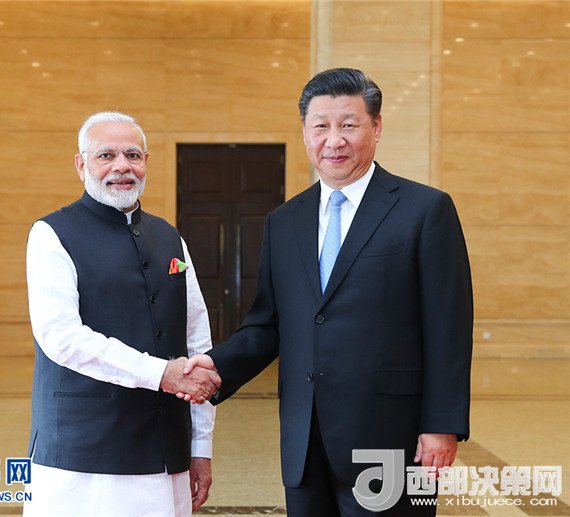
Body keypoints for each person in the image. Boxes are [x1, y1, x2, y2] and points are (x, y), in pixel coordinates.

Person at [183, 68, 473, 516]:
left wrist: (442, 425)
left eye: (348, 125)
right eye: (320, 126)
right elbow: (268, 324)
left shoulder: (424, 210)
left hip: (391, 436)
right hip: (304, 439)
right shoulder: (284, 222)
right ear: (305, 132)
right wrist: (216, 366)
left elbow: (448, 327)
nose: (333, 140)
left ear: (376, 127)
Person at [24, 111, 221, 517]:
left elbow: (197, 339)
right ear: (81, 165)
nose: (121, 166)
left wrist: (201, 446)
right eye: (105, 155)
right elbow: (61, 337)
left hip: (167, 448)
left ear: (146, 161)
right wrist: (159, 373)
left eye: (132, 155)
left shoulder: (169, 237)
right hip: (83, 454)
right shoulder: (51, 234)